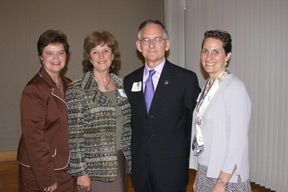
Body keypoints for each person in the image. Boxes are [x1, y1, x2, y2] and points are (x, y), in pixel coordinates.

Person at [123, 19, 200, 192]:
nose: (151, 45)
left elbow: (194, 124)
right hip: (141, 170)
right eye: (146, 40)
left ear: (167, 45)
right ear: (138, 45)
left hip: (171, 170)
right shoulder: (129, 81)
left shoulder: (185, 79)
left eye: (157, 39)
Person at [66, 31, 132, 192]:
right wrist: (81, 173)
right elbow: (74, 136)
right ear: (89, 58)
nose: (101, 56)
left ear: (113, 55)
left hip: (121, 161)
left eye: (105, 50)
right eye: (95, 51)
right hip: (95, 168)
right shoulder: (78, 89)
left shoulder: (123, 85)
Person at [189, 30, 251, 192]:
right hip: (206, 171)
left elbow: (237, 143)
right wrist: (198, 176)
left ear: (228, 56)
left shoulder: (235, 88)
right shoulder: (206, 88)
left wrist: (221, 183)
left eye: (216, 52)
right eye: (205, 51)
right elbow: (202, 133)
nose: (209, 57)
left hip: (227, 177)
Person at [17, 30, 74, 192]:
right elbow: (33, 137)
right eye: (49, 53)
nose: (56, 58)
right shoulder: (34, 89)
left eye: (60, 52)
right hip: (40, 171)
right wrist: (45, 177)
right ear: (41, 57)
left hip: (64, 166)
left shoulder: (68, 84)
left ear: (66, 56)